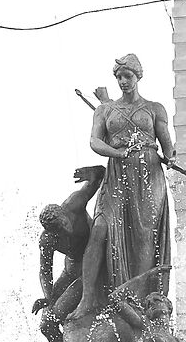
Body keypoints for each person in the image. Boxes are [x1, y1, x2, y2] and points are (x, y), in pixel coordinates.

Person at [75, 53, 177, 320]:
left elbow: (166, 139)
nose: (123, 81)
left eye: (127, 76)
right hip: (117, 175)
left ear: (138, 76)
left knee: (145, 240)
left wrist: (172, 155)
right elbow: (95, 142)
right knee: (100, 228)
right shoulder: (105, 110)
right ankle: (87, 298)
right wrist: (117, 153)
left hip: (148, 175)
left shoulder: (155, 108)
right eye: (119, 77)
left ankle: (140, 301)